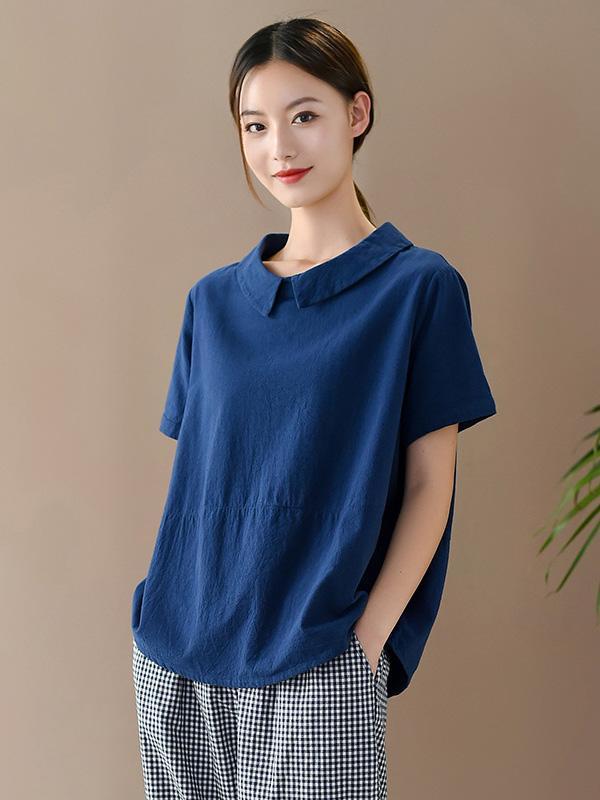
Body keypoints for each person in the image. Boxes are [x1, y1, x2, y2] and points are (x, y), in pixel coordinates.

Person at [130, 16, 497, 800]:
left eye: (304, 116)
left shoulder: (417, 289)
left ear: (356, 113)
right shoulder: (211, 304)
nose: (279, 148)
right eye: (255, 126)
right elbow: (203, 483)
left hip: (319, 659)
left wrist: (366, 642)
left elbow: (430, 485)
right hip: (177, 652)